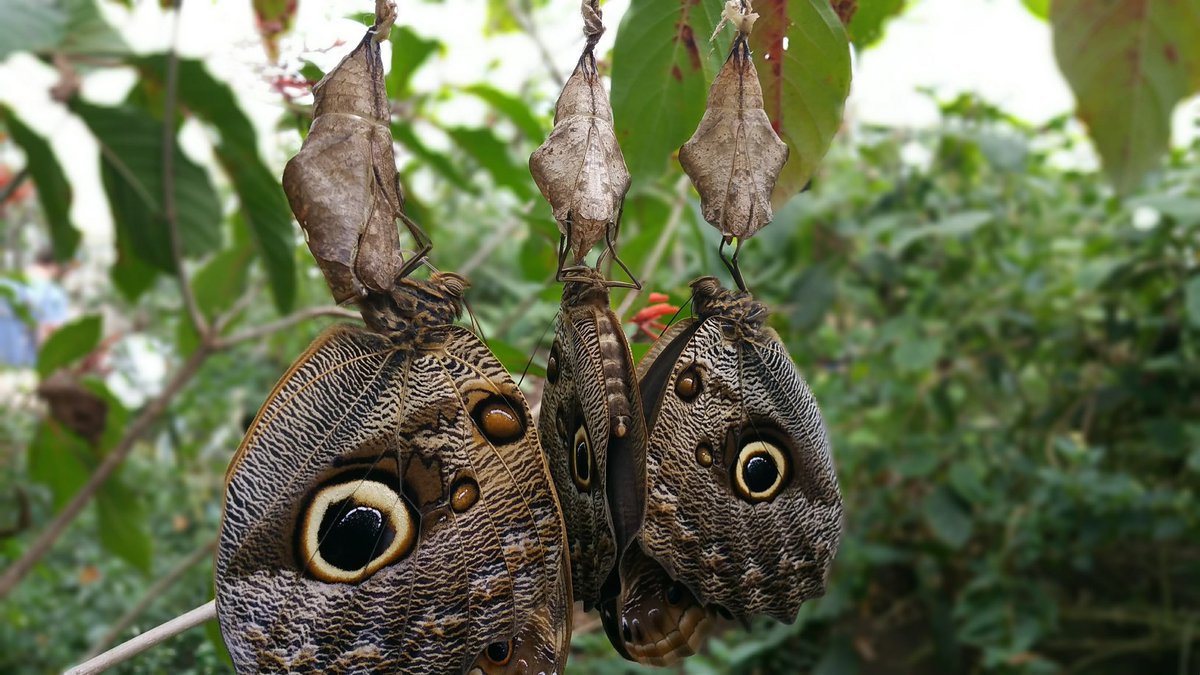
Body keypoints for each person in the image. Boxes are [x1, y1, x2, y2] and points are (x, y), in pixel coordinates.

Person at [0, 249, 71, 368]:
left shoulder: (4, 285)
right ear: (57, 266)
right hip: (25, 372)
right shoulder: (52, 294)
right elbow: (49, 342)